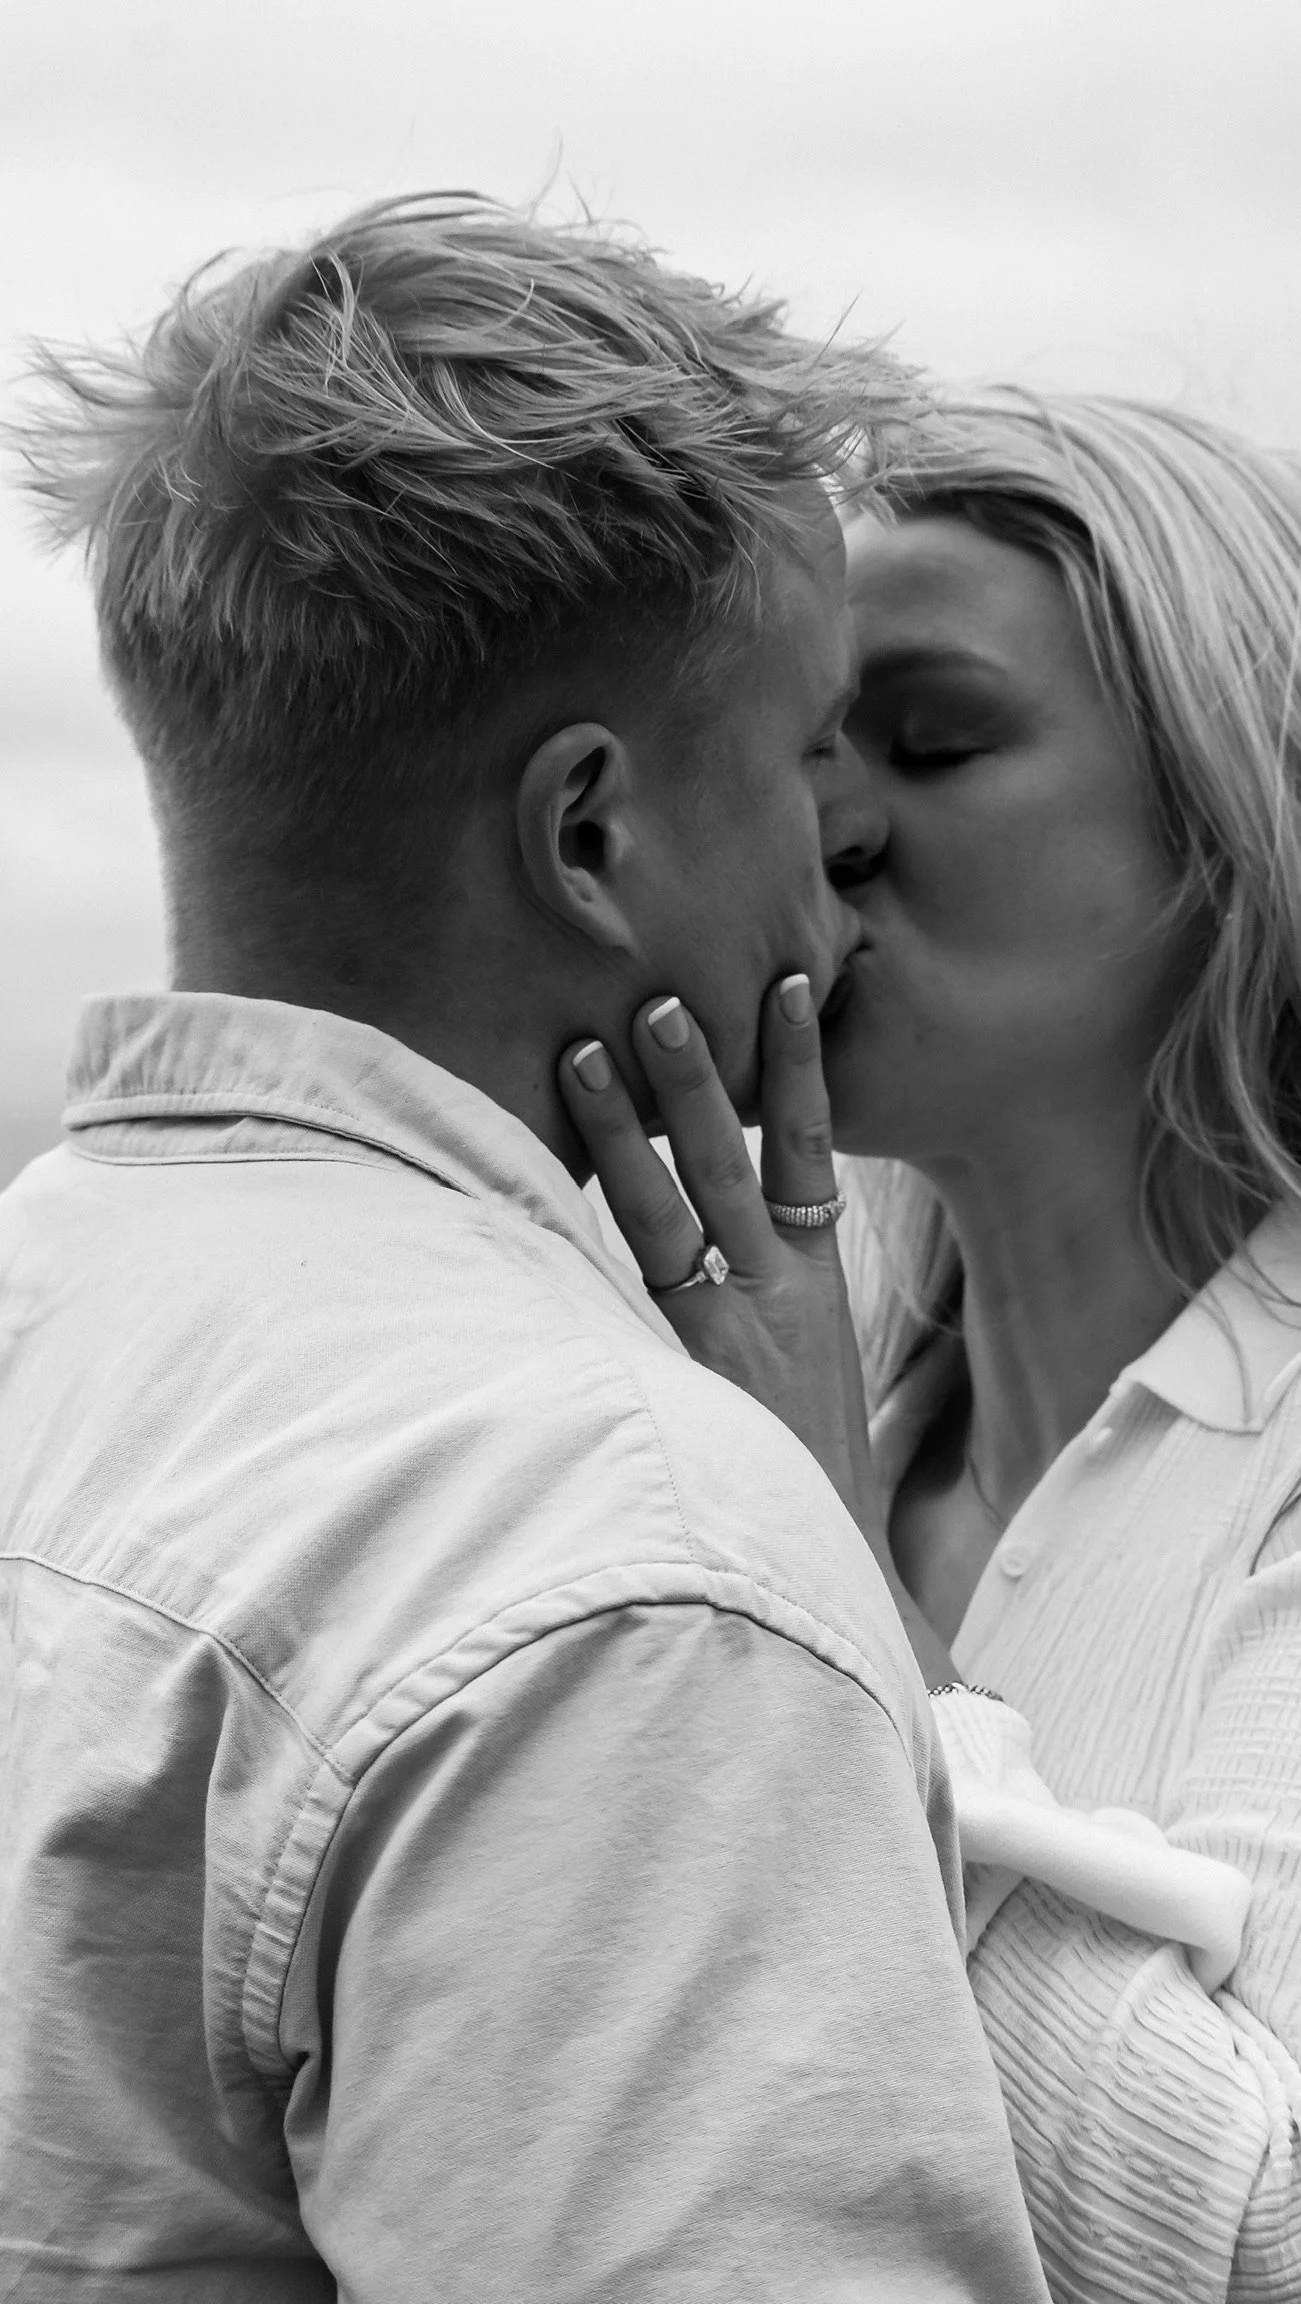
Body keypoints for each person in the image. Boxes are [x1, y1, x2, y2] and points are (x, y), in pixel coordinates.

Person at [0, 200, 1053, 2301]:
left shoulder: (49, 1304)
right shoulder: (629, 1555)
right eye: (799, 753)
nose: (838, 868)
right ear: (590, 833)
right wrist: (780, 1539)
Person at [574, 392, 1301, 2299]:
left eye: (931, 741)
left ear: (1247, 817)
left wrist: (821, 1586)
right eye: (796, 747)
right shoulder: (782, 1408)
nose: (822, 827)